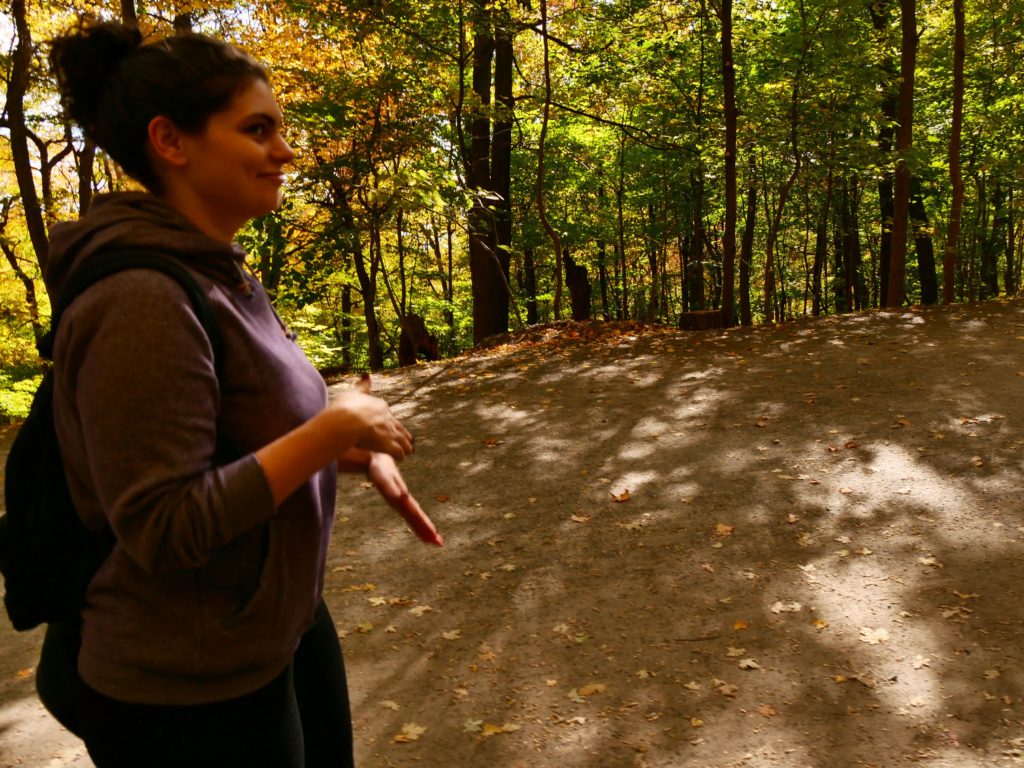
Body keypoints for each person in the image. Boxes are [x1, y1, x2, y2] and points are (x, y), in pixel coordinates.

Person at [41, 17, 442, 768]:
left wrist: (345, 455)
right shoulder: (141, 298)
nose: (285, 151)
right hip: (185, 690)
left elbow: (229, 441)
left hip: (267, 633)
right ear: (171, 142)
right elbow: (161, 526)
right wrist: (328, 430)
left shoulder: (217, 270)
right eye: (257, 129)